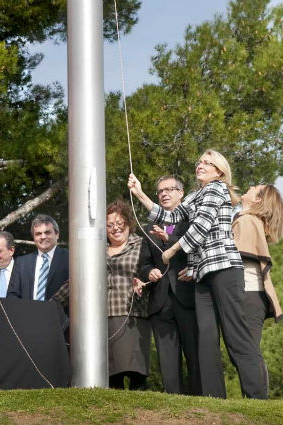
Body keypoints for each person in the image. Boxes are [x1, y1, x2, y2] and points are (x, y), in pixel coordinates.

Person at [128, 149, 265, 399]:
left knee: (235, 336)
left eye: (207, 162)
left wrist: (171, 251)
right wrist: (140, 193)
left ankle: (257, 398)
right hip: (203, 276)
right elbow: (169, 215)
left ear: (219, 170)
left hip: (225, 270)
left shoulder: (217, 189)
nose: (200, 165)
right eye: (199, 162)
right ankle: (214, 399)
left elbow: (200, 228)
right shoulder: (193, 195)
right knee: (206, 338)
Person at [139, 176, 201, 395]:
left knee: (194, 354)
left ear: (181, 193)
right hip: (161, 301)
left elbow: (195, 251)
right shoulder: (148, 228)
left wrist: (169, 238)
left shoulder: (193, 221)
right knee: (167, 358)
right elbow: (143, 264)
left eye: (169, 189)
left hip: (189, 297)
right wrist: (149, 272)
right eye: (160, 191)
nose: (164, 194)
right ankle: (172, 401)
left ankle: (201, 399)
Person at [232, 184, 283, 398]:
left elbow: (233, 256)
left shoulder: (246, 221)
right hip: (253, 295)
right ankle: (256, 399)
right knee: (248, 350)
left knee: (247, 351)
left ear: (258, 200)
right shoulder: (249, 220)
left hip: (248, 294)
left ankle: (257, 400)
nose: (250, 186)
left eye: (256, 188)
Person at [102, 200, 151, 390]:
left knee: (136, 371)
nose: (115, 228)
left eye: (119, 223)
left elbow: (152, 271)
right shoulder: (97, 250)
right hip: (105, 315)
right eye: (110, 225)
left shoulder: (141, 244)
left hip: (134, 314)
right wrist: (53, 302)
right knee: (112, 374)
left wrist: (143, 281)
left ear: (129, 224)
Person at [8, 215, 69, 301]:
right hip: (27, 313)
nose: (43, 237)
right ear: (34, 238)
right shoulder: (22, 262)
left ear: (57, 234)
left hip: (59, 313)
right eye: (38, 234)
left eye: (47, 233)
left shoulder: (70, 259)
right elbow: (13, 294)